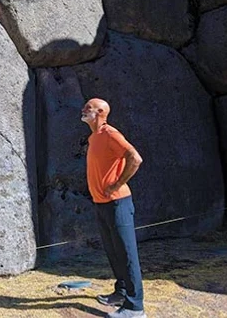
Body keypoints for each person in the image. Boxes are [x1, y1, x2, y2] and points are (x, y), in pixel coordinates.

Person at [81, 98, 146, 318]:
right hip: (102, 204)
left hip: (118, 203)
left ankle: (135, 308)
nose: (83, 110)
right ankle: (121, 293)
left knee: (127, 253)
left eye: (88, 108)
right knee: (114, 252)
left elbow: (135, 158)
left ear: (100, 112)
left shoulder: (110, 134)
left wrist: (117, 184)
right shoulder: (94, 137)